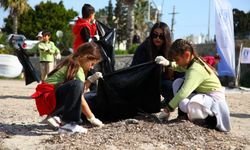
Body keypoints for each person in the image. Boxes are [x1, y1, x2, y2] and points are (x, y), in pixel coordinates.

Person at [155, 39, 231, 132]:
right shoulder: (193, 62)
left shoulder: (195, 70)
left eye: (177, 59)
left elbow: (183, 93)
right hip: (206, 96)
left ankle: (207, 121)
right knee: (178, 82)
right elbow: (180, 67)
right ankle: (185, 116)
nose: (177, 62)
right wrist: (168, 63)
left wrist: (167, 109)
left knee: (186, 103)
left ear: (187, 55)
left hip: (215, 102)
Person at [32, 42, 104, 134]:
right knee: (77, 85)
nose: (92, 67)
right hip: (48, 98)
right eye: (92, 63)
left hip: (46, 99)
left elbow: (78, 92)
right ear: (85, 57)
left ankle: (56, 117)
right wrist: (92, 118)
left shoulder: (72, 63)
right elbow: (80, 97)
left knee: (76, 87)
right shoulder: (77, 68)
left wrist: (90, 80)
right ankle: (69, 124)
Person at [130, 22, 174, 107]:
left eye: (161, 36)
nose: (158, 38)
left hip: (162, 81)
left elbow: (178, 67)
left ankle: (169, 101)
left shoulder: (170, 50)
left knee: (172, 85)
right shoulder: (143, 49)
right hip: (144, 81)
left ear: (166, 37)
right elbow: (135, 70)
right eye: (155, 35)